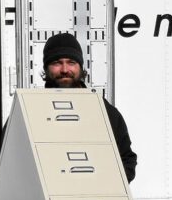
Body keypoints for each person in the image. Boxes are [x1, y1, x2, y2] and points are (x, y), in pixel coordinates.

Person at [42, 32, 137, 182]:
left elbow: (126, 159)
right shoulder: (31, 109)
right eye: (57, 63)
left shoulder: (104, 110)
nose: (65, 69)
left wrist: (105, 186)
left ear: (80, 67)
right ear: (46, 68)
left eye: (71, 62)